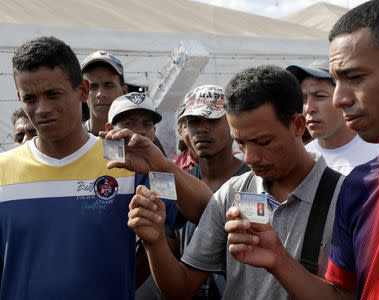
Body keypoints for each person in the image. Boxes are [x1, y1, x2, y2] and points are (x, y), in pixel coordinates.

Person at [224, 1, 379, 299]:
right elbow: (342, 294)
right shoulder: (359, 185)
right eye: (337, 80)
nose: (340, 98)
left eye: (355, 78)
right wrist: (279, 261)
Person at [0, 36, 199, 299]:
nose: (42, 109)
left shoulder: (124, 162)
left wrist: (162, 166)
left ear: (82, 90)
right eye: (30, 98)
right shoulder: (3, 171)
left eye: (53, 94)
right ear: (19, 98)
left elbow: (204, 212)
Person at [126, 65, 345, 299]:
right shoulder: (232, 193)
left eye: (263, 142)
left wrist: (281, 263)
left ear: (298, 125)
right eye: (240, 143)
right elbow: (180, 289)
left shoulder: (345, 197)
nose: (249, 157)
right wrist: (155, 241)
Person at [169, 85, 250, 299]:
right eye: (194, 121)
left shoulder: (256, 182)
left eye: (213, 120)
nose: (202, 129)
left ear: (233, 123)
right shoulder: (175, 183)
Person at [287, 60, 379, 175]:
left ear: (345, 99)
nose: (308, 108)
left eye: (320, 96)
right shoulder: (299, 162)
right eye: (303, 99)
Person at [173, 103, 199, 171]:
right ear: (180, 132)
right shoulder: (173, 169)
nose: (201, 129)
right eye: (192, 122)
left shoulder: (229, 162)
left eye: (211, 121)